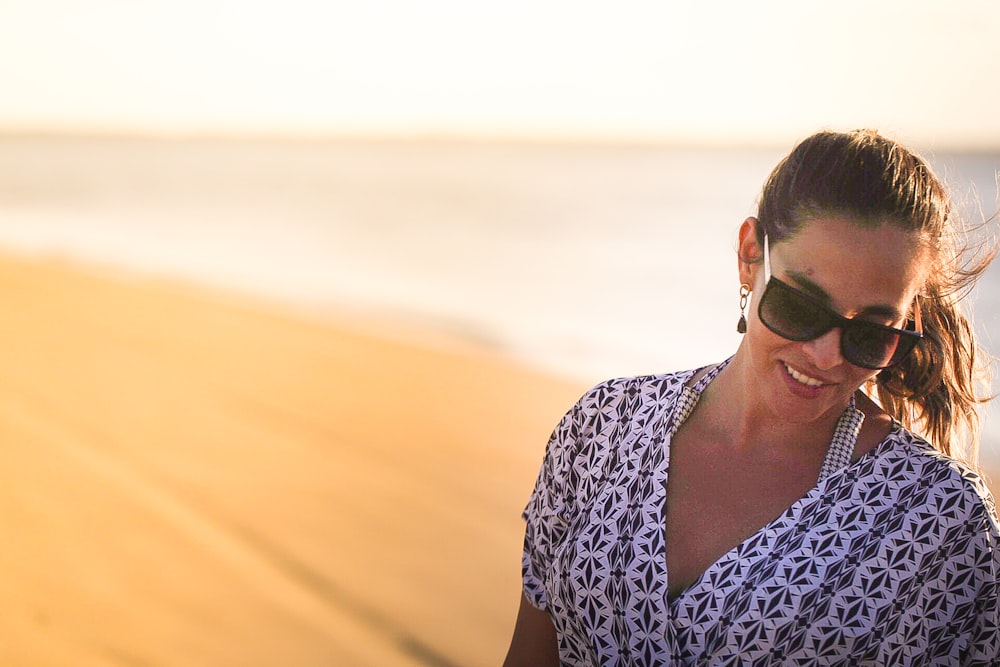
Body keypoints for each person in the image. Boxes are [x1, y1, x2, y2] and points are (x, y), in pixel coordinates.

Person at [503, 129, 1000, 665]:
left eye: (871, 332)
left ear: (907, 322)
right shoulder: (603, 426)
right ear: (748, 256)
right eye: (801, 307)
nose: (827, 356)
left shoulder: (941, 525)